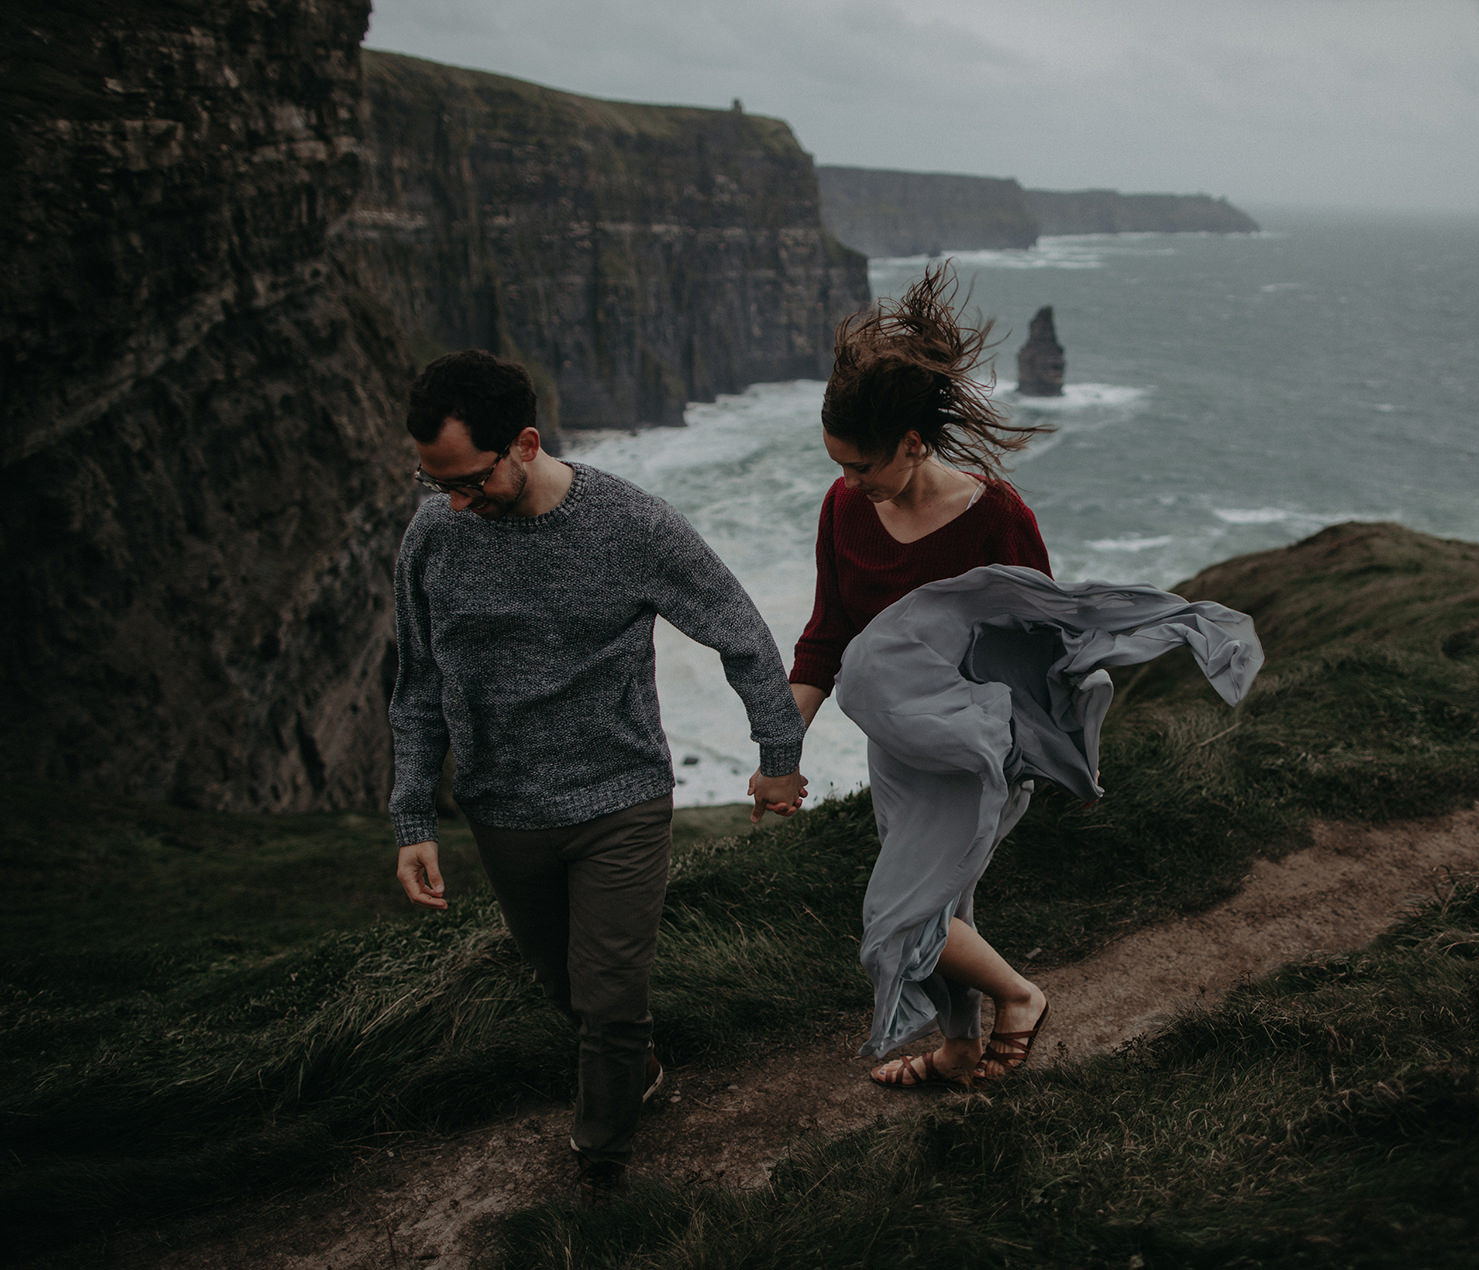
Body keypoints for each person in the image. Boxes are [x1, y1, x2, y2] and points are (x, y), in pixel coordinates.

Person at [387, 349, 808, 1184]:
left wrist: (777, 757)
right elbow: (418, 687)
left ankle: (601, 1168)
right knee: (568, 988)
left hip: (621, 798)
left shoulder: (632, 526)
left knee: (610, 998)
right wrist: (412, 821)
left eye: (470, 481)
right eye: (438, 485)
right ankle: (638, 1071)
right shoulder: (433, 535)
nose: (457, 502)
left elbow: (740, 631)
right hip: (502, 808)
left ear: (527, 442)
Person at [789, 264, 1057, 1088]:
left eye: (861, 465)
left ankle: (1020, 996)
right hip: (897, 751)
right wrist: (778, 748)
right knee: (948, 904)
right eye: (837, 464)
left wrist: (1040, 750)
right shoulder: (844, 510)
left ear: (912, 443)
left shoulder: (998, 519)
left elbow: (1041, 646)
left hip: (980, 752)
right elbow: (828, 632)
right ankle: (960, 1050)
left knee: (904, 916)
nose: (849, 483)